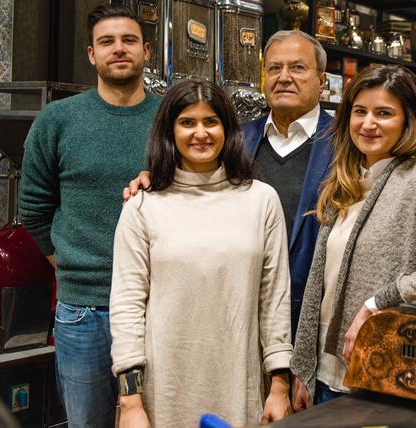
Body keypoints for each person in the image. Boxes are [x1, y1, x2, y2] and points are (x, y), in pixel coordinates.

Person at [125, 31, 333, 342]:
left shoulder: (347, 144)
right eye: (274, 68)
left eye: (298, 68)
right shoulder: (235, 138)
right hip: (237, 314)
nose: (284, 77)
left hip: (318, 316)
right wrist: (154, 178)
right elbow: (193, 186)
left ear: (322, 80)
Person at [289, 65, 416, 407]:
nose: (368, 123)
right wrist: (303, 368)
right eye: (360, 111)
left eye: (384, 113)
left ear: (408, 120)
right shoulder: (343, 183)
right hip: (324, 376)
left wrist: (377, 303)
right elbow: (321, 286)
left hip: (377, 376)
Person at [109, 80, 292, 428]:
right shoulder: (143, 206)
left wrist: (279, 386)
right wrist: (130, 402)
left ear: (227, 129)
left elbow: (274, 301)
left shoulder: (261, 200)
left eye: (211, 121)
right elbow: (127, 305)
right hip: (164, 391)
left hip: (239, 385)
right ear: (170, 131)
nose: (201, 133)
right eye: (187, 122)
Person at [17, 5, 160, 427]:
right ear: (91, 54)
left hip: (158, 304)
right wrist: (71, 266)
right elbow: (33, 208)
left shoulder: (171, 119)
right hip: (83, 311)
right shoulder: (58, 120)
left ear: (146, 51)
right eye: (107, 42)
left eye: (129, 40)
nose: (119, 49)